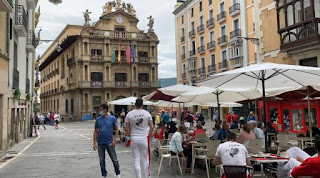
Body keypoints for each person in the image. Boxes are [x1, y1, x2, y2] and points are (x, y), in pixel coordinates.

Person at [125, 99, 154, 178]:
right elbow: (152, 126)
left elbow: (127, 127)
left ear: (135, 104)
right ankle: (147, 176)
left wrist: (131, 133)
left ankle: (138, 177)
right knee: (145, 159)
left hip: (134, 138)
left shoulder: (129, 114)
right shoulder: (147, 113)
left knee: (136, 160)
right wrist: (150, 134)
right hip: (144, 138)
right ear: (142, 105)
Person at [93, 104, 121, 178]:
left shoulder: (112, 118)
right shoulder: (98, 119)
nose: (100, 111)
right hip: (100, 143)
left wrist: (115, 140)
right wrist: (94, 143)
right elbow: (95, 131)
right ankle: (103, 174)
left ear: (105, 110)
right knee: (101, 160)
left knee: (114, 159)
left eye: (101, 109)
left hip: (109, 142)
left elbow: (117, 129)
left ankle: (118, 173)